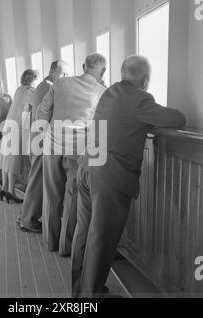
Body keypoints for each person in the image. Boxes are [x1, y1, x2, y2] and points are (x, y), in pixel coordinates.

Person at [71, 55, 187, 298]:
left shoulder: (109, 91)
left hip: (86, 165)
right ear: (145, 80)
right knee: (101, 237)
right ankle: (92, 294)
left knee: (84, 232)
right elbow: (178, 119)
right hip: (108, 176)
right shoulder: (140, 99)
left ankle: (79, 290)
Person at [38, 54, 107, 257]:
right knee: (72, 197)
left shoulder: (60, 83)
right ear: (102, 72)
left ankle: (49, 241)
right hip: (78, 151)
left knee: (51, 193)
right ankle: (65, 247)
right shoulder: (102, 91)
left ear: (83, 66)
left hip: (51, 146)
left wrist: (44, 133)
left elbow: (43, 109)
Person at [18, 60, 69, 233]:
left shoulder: (42, 85)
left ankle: (26, 216)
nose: (64, 77)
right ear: (52, 70)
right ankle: (28, 219)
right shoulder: (49, 87)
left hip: (36, 137)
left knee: (36, 178)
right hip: (42, 138)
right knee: (38, 180)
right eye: (62, 73)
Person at [0, 69, 39, 204]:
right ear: (33, 79)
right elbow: (31, 108)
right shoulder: (31, 91)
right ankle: (11, 191)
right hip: (19, 126)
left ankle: (4, 187)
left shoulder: (18, 89)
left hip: (9, 124)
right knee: (13, 160)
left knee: (6, 158)